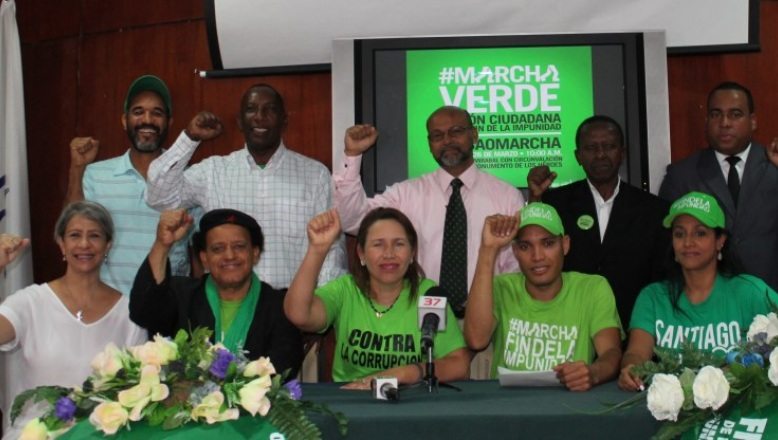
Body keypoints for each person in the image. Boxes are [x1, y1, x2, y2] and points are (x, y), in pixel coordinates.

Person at [145, 83, 347, 289]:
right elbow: (158, 197)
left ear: (284, 121)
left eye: (270, 109)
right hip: (228, 309)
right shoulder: (213, 172)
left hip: (293, 310)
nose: (260, 116)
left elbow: (332, 247)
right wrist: (190, 138)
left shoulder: (315, 174)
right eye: (251, 109)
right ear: (240, 122)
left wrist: (322, 307)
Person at [334, 106, 524, 318]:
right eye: (437, 135)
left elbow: (515, 267)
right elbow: (351, 219)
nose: (447, 140)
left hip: (487, 322)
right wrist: (352, 154)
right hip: (419, 322)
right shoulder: (407, 194)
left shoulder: (507, 196)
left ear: (474, 135)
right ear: (430, 144)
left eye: (456, 131)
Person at [0, 202, 147, 436]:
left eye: (95, 236)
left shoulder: (130, 312)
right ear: (61, 243)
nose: (84, 244)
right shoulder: (30, 302)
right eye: (75, 235)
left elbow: (137, 393)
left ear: (108, 245)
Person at [284, 207, 470, 388]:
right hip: (353, 399)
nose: (389, 254)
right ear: (361, 254)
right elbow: (298, 314)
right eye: (378, 244)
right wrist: (318, 249)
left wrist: (405, 373)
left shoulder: (428, 295)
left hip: (411, 400)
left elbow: (459, 364)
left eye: (399, 244)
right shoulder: (345, 290)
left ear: (412, 253)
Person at [65, 74, 211, 295]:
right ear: (124, 121)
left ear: (169, 123)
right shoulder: (95, 174)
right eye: (138, 111)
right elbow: (72, 229)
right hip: (110, 308)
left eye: (157, 113)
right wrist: (77, 168)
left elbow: (200, 251)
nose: (147, 120)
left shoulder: (190, 179)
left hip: (169, 311)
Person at [618, 192, 778, 391]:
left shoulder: (749, 291)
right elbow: (636, 352)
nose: (687, 243)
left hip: (741, 413)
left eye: (700, 233)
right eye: (679, 234)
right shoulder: (652, 297)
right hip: (673, 414)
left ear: (720, 240)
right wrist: (632, 369)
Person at [527, 115, 670, 326]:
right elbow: (534, 252)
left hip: (633, 326)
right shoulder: (555, 202)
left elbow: (660, 279)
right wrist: (535, 199)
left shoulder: (655, 210)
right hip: (567, 326)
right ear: (578, 156)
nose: (601, 154)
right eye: (591, 148)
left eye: (609, 146)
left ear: (622, 153)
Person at [464, 202, 622, 391]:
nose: (537, 256)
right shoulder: (502, 287)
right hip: (507, 408)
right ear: (515, 252)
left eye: (548, 243)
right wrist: (488, 250)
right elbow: (476, 340)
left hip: (569, 405)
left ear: (565, 245)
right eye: (525, 246)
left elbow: (611, 352)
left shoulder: (592, 288)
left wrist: (593, 373)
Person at [130, 208, 303, 377]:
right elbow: (144, 313)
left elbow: (283, 371)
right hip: (183, 403)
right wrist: (162, 245)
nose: (229, 256)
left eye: (239, 246)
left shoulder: (281, 306)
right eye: (218, 249)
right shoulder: (181, 294)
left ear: (255, 253)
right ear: (204, 258)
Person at [658, 81, 778, 292]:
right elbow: (667, 246)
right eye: (716, 114)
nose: (724, 123)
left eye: (735, 114)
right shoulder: (682, 175)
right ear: (706, 122)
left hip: (771, 300)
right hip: (708, 307)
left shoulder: (774, 167)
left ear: (753, 121)